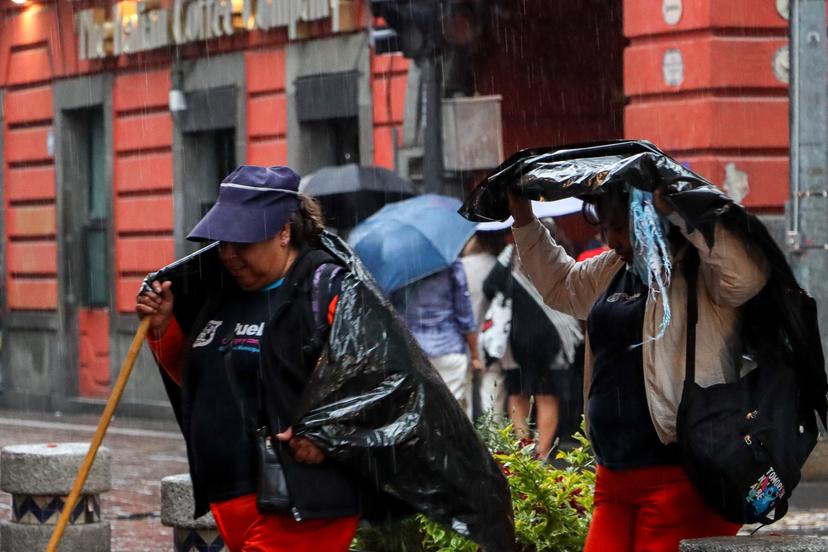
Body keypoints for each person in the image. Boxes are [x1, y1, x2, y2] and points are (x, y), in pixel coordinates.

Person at [508, 183, 768, 552]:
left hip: (677, 476)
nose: (611, 240)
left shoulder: (698, 269)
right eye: (605, 230)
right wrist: (524, 219)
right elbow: (562, 286)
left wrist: (682, 213)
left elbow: (746, 277)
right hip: (613, 474)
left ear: (649, 217)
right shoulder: (613, 269)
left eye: (618, 228)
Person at [136, 166, 359, 552]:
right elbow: (201, 384)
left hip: (301, 502)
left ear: (283, 232)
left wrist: (327, 430)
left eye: (242, 242)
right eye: (222, 242)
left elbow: (374, 377)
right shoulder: (223, 294)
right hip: (235, 497)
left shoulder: (326, 289)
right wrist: (163, 329)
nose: (229, 254)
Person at [482, 222, 582, 460]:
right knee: (546, 395)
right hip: (550, 337)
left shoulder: (512, 255)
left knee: (518, 393)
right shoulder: (559, 255)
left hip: (518, 336)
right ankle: (541, 454)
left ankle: (522, 450)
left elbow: (489, 287)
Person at [391, 260, 482, 409]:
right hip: (448, 347)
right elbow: (465, 315)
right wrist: (475, 355)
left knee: (418, 409)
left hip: (411, 350)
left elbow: (393, 310)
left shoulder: (397, 266)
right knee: (453, 410)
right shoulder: (451, 263)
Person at [462, 230, 509, 418]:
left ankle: (465, 438)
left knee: (463, 390)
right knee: (493, 388)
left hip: (464, 336)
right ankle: (493, 439)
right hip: (493, 336)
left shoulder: (461, 267)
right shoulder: (499, 266)